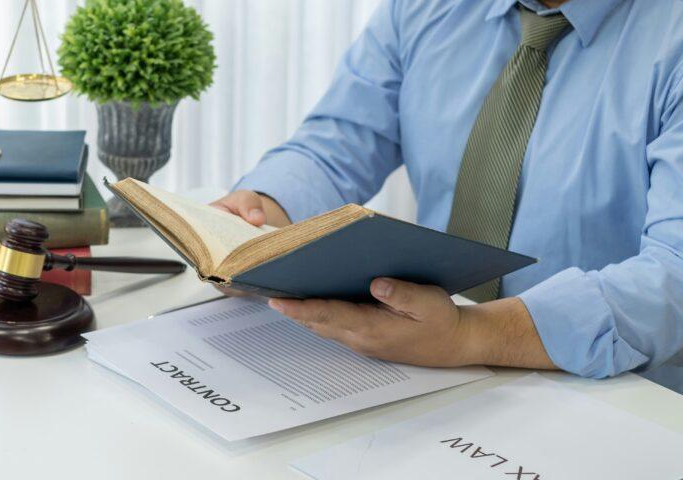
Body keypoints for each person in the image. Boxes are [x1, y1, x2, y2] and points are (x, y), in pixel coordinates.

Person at [212, 0, 683, 390]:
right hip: (420, 364)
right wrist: (259, 218)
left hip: (612, 392)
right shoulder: (422, 8)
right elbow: (337, 145)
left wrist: (473, 336)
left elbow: (673, 272)